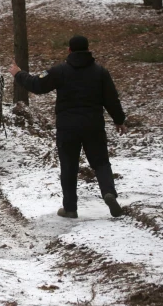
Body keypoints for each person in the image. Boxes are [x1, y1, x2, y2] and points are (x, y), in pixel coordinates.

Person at [8, 35, 127, 219]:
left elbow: (37, 84)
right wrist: (119, 120)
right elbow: (111, 99)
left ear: (69, 50)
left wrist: (18, 73)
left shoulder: (60, 71)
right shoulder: (100, 72)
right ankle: (108, 193)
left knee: (69, 166)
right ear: (88, 50)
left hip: (67, 128)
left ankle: (70, 208)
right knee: (101, 162)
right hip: (93, 126)